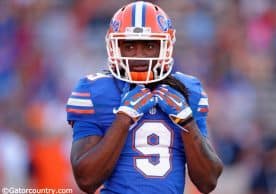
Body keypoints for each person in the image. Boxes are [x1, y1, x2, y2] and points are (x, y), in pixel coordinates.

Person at [66, 1, 223, 194]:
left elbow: (208, 182)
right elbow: (86, 180)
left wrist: (187, 122)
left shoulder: (189, 90)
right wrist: (123, 119)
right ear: (115, 47)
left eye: (149, 46)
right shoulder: (94, 89)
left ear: (166, 46)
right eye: (129, 46)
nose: (139, 56)